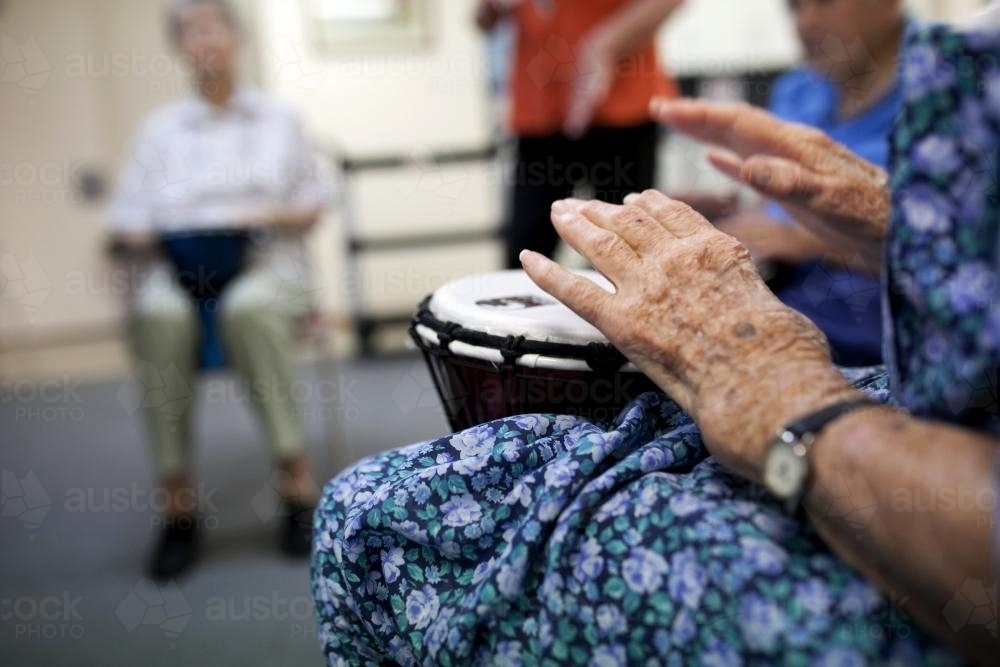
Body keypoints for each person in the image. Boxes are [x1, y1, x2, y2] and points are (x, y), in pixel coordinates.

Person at [312, 11, 999, 665]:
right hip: (901, 425)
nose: (806, 19)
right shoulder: (813, 91)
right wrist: (904, 231)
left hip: (921, 521)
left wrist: (788, 399)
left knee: (372, 515)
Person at [110, 0, 327, 578]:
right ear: (179, 46)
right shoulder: (157, 132)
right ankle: (177, 504)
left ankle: (296, 485)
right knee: (156, 313)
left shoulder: (280, 119)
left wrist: (256, 216)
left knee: (250, 306)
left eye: (213, 25)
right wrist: (171, 233)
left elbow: (311, 209)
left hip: (265, 266)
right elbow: (127, 223)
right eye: (189, 30)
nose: (203, 39)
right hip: (179, 270)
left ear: (236, 36)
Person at [688, 0, 907, 367]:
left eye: (824, 3)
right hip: (776, 283)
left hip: (866, 305)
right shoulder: (797, 89)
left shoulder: (952, 96)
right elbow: (771, 211)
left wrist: (811, 242)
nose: (805, 24)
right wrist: (725, 214)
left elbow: (964, 259)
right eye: (794, 8)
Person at [476, 0, 684, 268]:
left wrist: (606, 45)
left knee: (624, 255)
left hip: (620, 108)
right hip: (540, 112)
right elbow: (483, 20)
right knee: (523, 255)